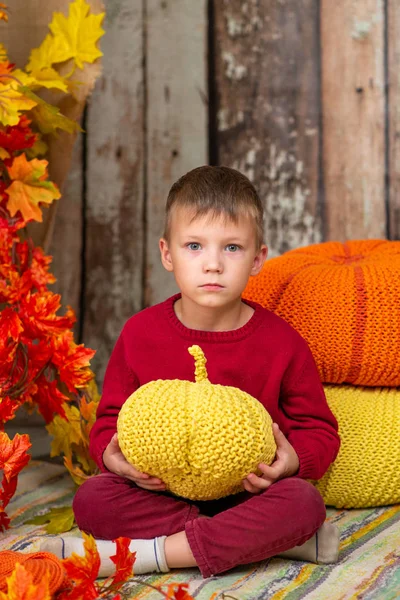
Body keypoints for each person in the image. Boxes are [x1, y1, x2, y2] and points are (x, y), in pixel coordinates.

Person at [42, 166, 341, 578]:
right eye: (195, 246)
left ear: (258, 259)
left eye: (232, 248)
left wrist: (292, 462)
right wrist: (113, 454)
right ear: (168, 253)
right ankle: (265, 543)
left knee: (304, 502)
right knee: (93, 498)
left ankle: (150, 556)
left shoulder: (282, 341)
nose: (213, 264)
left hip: (247, 494)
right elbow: (110, 420)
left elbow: (319, 429)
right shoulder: (140, 333)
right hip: (162, 494)